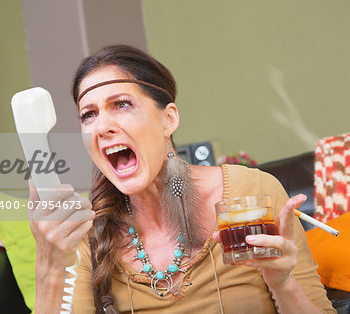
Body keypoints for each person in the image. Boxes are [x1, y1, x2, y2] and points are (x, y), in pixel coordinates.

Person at [28, 45, 335, 313]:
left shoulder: (251, 191)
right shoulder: (85, 231)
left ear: (168, 119)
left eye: (121, 104)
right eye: (88, 115)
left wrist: (283, 284)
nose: (101, 126)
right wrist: (49, 271)